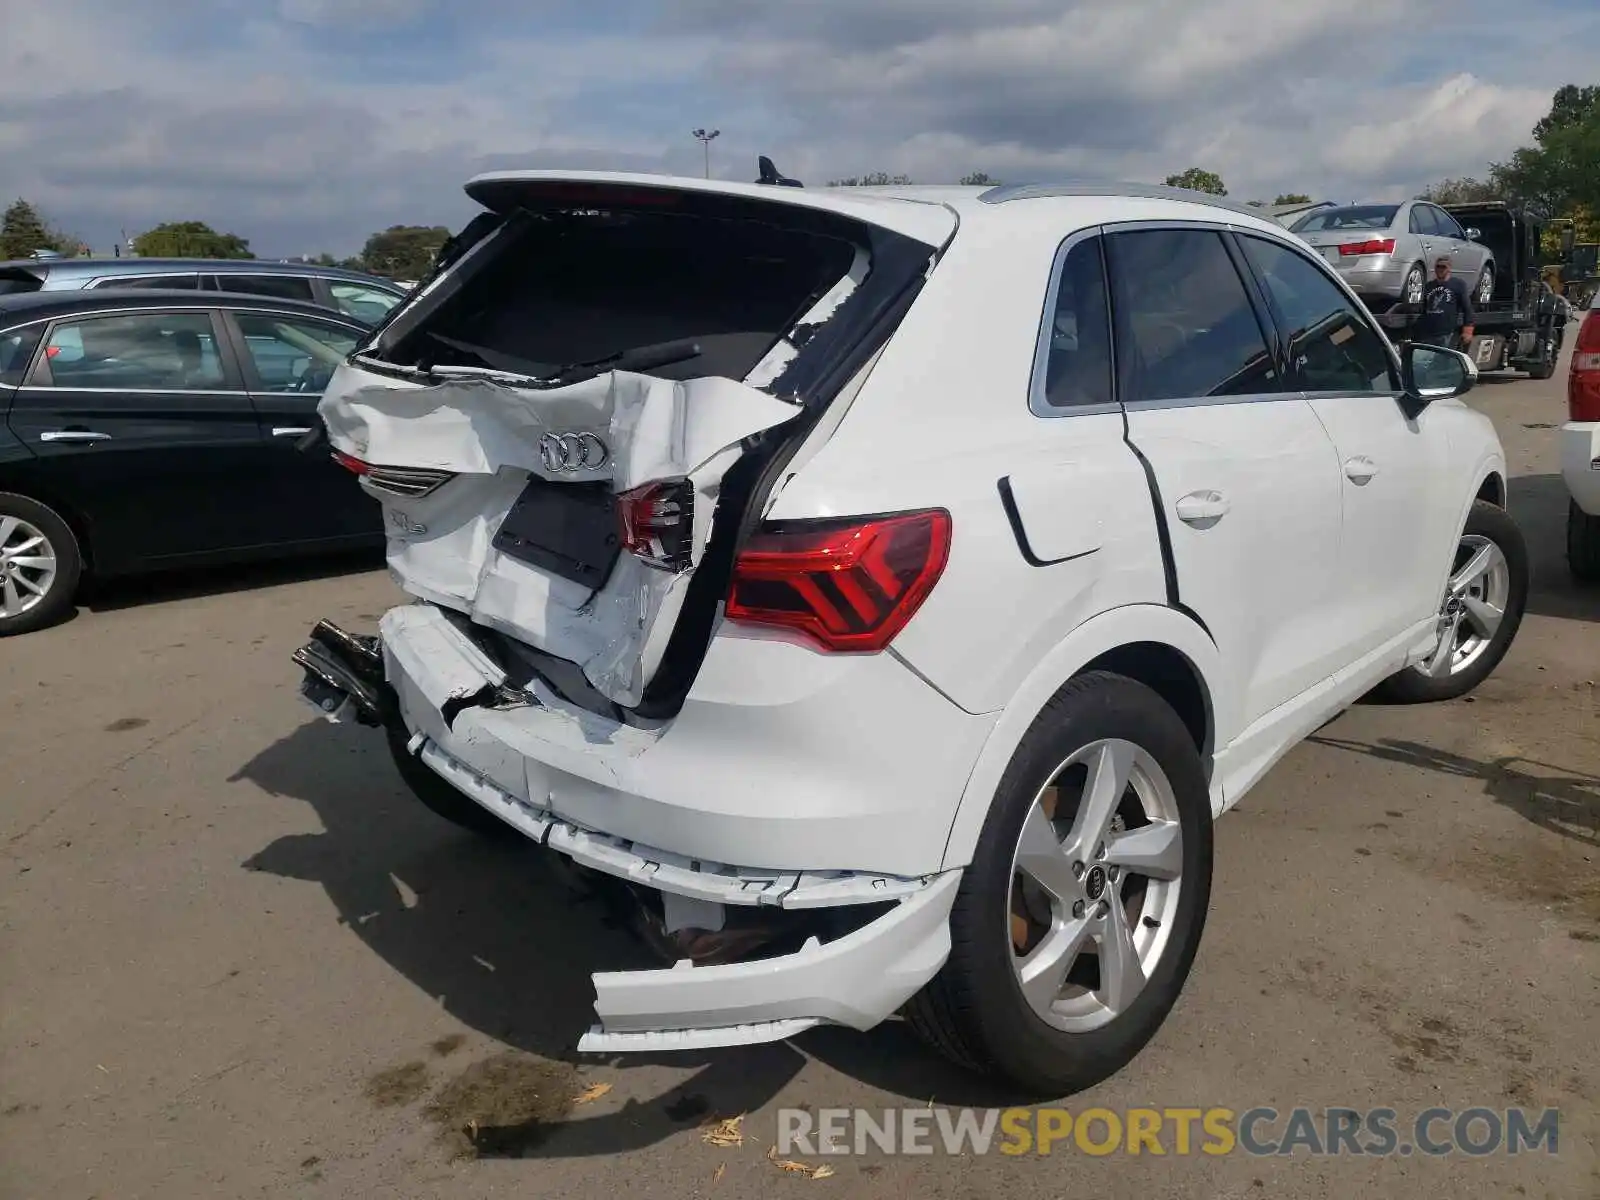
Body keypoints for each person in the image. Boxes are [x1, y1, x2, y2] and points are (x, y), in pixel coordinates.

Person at [1412, 255, 1475, 350]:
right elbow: (1423, 310)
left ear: (1449, 268)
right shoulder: (1429, 286)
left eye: (1443, 267)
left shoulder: (1458, 284)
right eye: (1438, 266)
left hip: (1446, 334)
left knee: (1442, 362)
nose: (1440, 269)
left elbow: (1467, 308)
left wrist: (1468, 330)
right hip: (1428, 334)